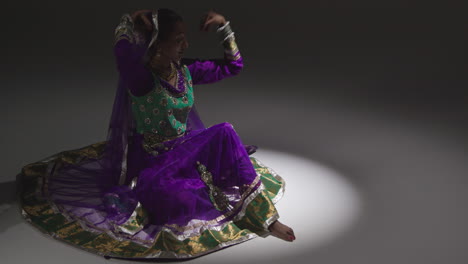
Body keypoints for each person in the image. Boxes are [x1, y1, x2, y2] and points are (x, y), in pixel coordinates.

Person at [17, 8, 295, 260]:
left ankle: (266, 220)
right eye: (177, 39)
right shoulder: (140, 79)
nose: (185, 45)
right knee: (180, 203)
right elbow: (122, 50)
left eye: (185, 38)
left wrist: (224, 28)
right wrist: (130, 20)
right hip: (152, 161)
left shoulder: (185, 70)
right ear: (156, 45)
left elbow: (233, 66)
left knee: (225, 132)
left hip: (186, 148)